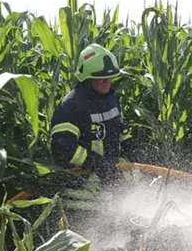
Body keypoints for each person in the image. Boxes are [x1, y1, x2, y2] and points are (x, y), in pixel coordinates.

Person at [50, 43, 138, 182]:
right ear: (87, 79)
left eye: (109, 77)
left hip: (110, 178)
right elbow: (62, 148)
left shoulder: (111, 98)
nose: (106, 82)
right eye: (101, 77)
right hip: (83, 187)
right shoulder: (70, 106)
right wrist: (93, 162)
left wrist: (131, 147)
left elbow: (118, 128)